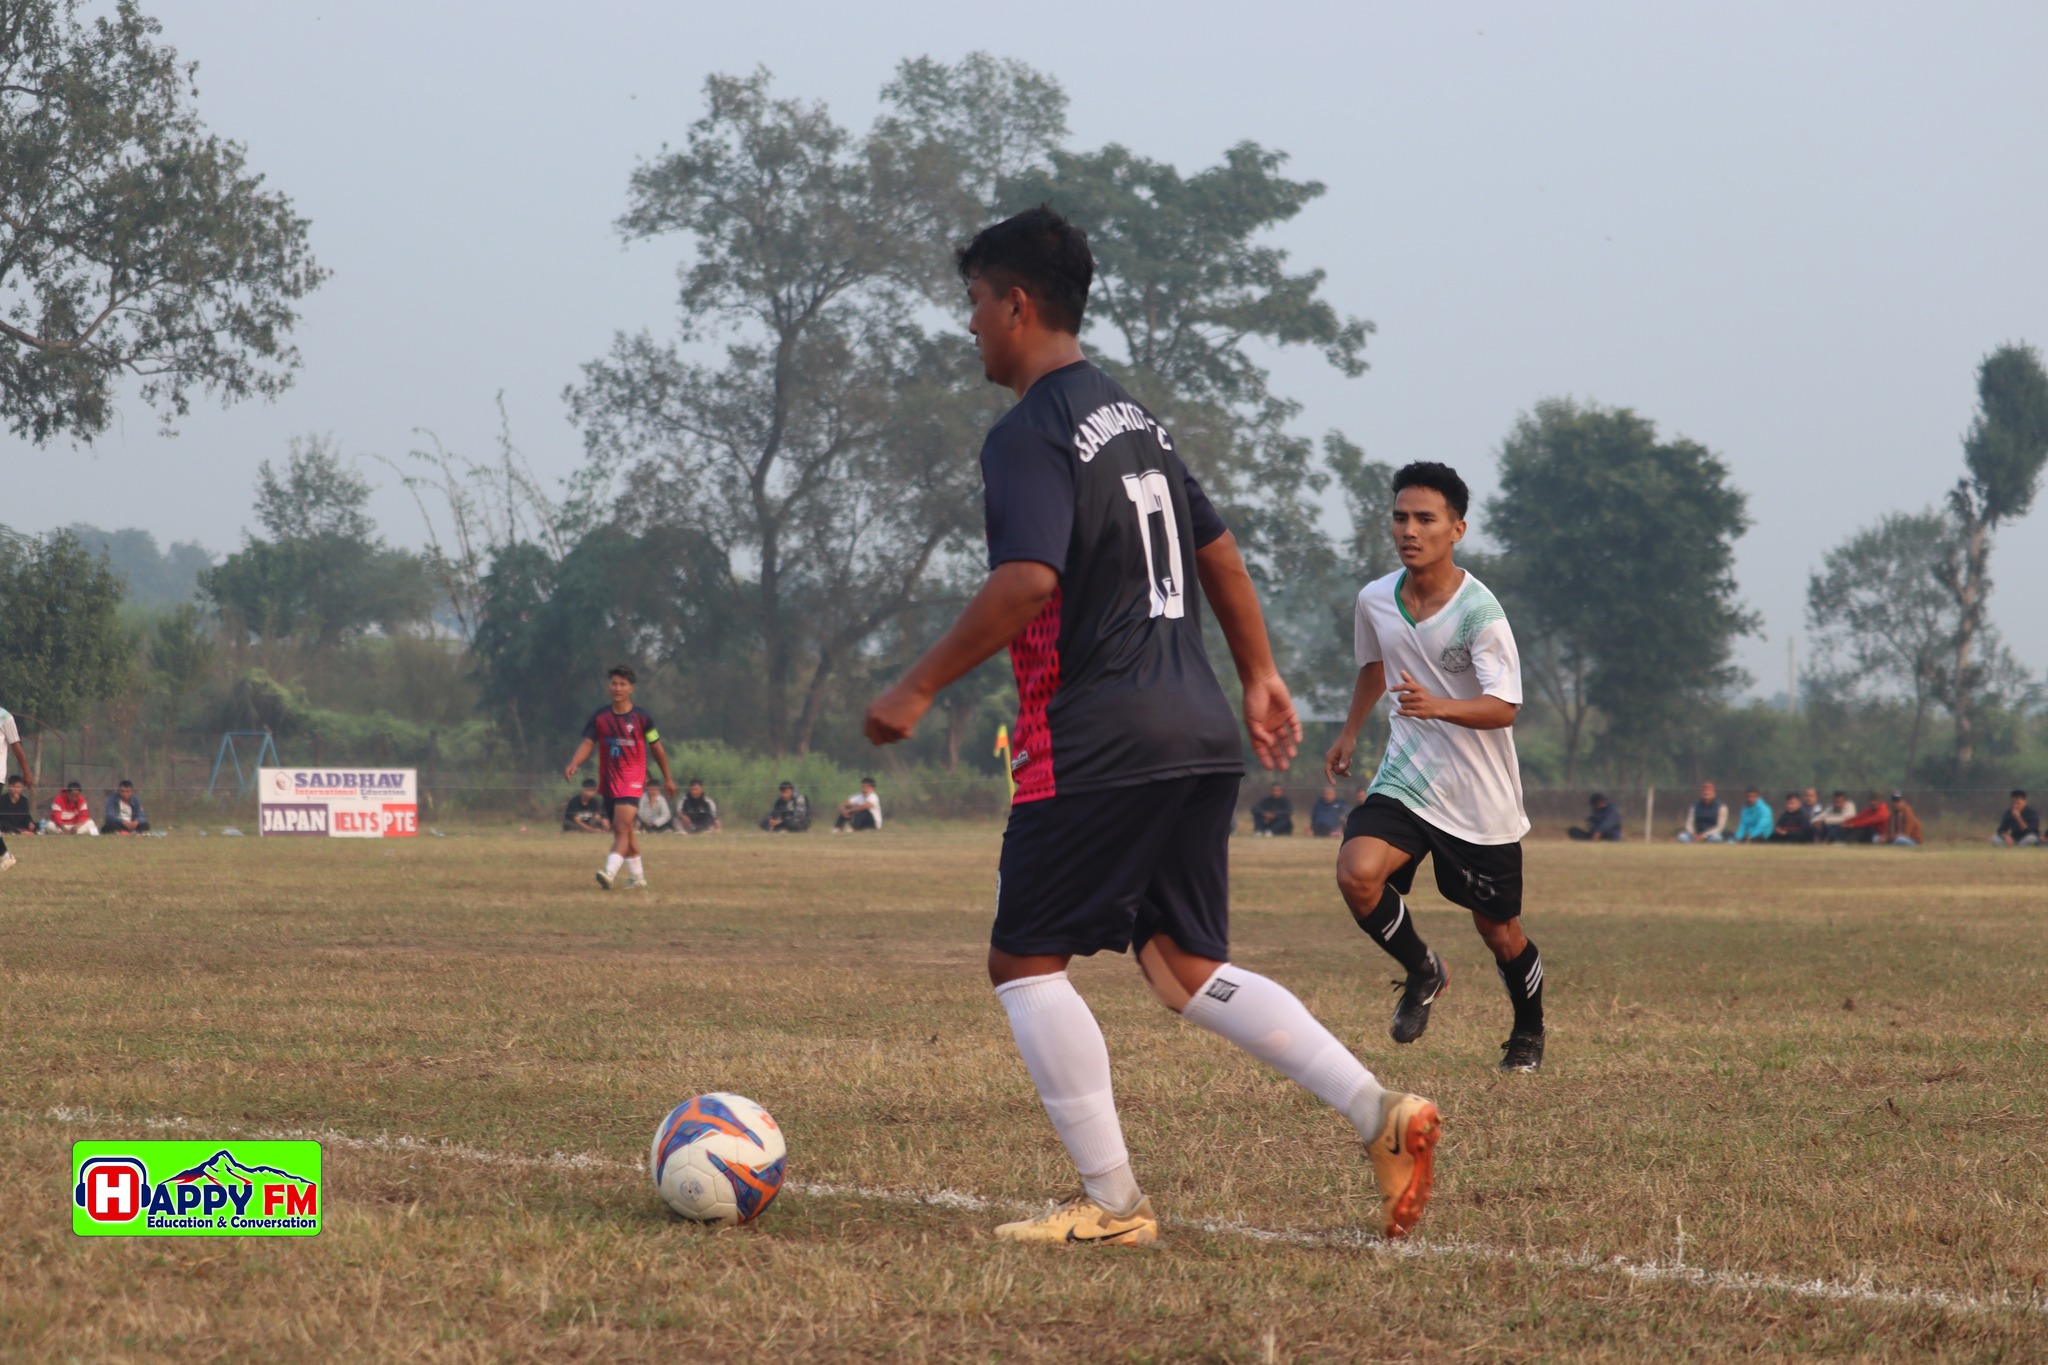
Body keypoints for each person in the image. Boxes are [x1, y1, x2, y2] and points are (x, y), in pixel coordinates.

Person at [859, 205, 1438, 1247]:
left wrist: (915, 685)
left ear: (1017, 303)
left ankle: (1113, 1206)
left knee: (1023, 962)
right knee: (1178, 965)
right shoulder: (1136, 420)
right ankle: (1378, 1114)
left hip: (1098, 738)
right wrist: (1258, 673)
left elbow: (1028, 580)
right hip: (1195, 731)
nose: (971, 328)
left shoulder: (1027, 432)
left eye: (975, 305)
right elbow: (1214, 548)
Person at [1328, 460, 1545, 1076]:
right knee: (1357, 873)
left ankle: (1527, 1034)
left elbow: (1504, 707)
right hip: (1408, 775)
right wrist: (1348, 733)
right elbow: (1375, 666)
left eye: (1426, 519)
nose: (1409, 530)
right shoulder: (1375, 598)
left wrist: (1439, 706)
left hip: (1479, 796)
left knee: (1500, 933)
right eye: (1400, 517)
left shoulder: (1481, 613)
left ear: (1458, 529)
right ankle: (1423, 968)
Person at [562, 665, 675, 890]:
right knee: (623, 830)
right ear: (608, 686)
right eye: (614, 683)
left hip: (633, 779)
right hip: (609, 781)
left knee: (621, 826)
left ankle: (609, 871)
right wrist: (575, 762)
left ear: (631, 688)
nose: (617, 688)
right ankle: (638, 878)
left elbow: (657, 748)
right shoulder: (600, 717)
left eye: (623, 684)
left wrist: (668, 777)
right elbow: (587, 743)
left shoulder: (643, 718)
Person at [0, 706, 29, 873]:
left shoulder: (5, 717)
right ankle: (5, 855)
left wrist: (26, 771)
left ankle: (6, 855)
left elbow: (16, 747)